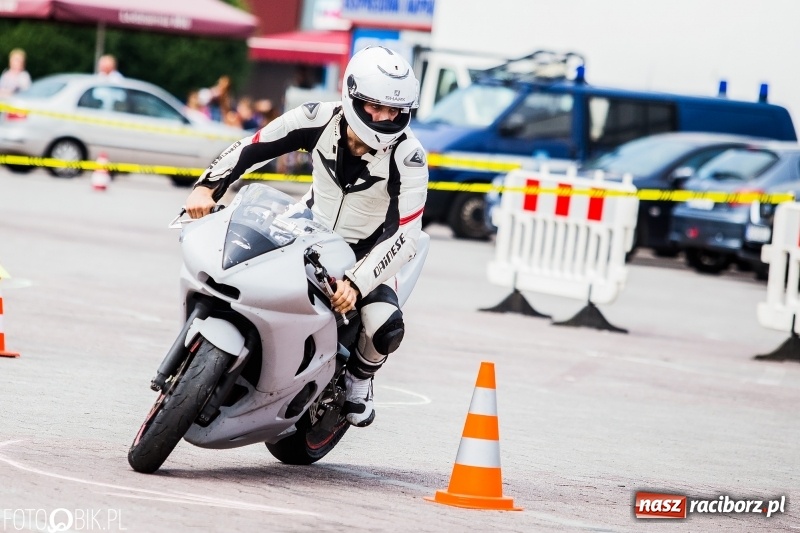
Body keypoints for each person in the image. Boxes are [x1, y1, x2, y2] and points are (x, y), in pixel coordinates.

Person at [185, 46, 428, 428]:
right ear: (352, 95)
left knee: (385, 325)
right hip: (307, 228)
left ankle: (359, 379)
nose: (385, 118)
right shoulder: (317, 117)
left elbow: (405, 232)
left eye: (395, 110)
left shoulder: (410, 156)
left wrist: (358, 282)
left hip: (369, 252)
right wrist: (208, 186)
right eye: (375, 107)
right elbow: (254, 146)